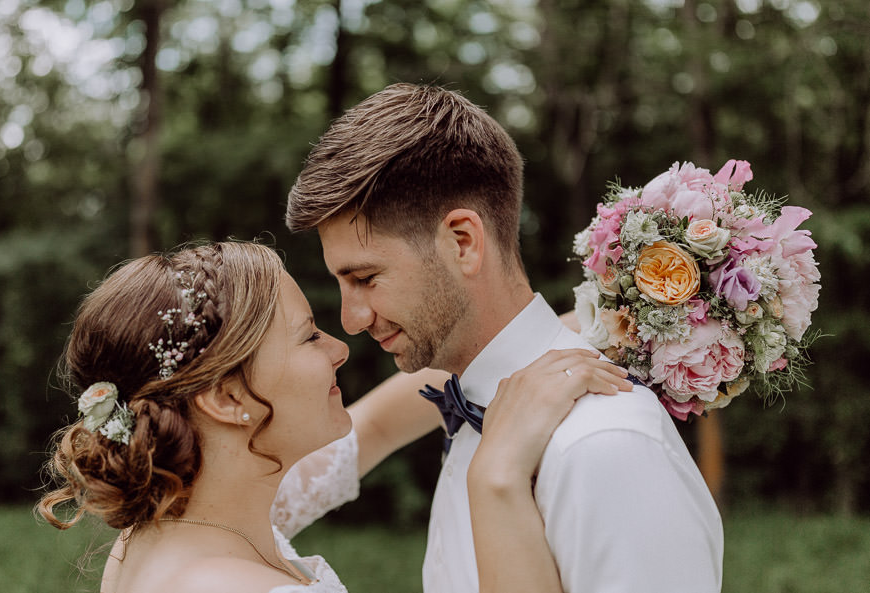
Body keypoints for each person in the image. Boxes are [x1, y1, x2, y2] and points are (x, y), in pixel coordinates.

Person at [285, 83, 725, 593]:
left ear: (462, 242)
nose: (351, 320)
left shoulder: (603, 444)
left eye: (365, 278)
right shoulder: (474, 409)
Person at [36, 241, 633, 593]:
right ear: (226, 400)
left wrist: (578, 327)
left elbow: (375, 425)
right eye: (308, 337)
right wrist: (496, 476)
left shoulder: (184, 518)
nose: (340, 347)